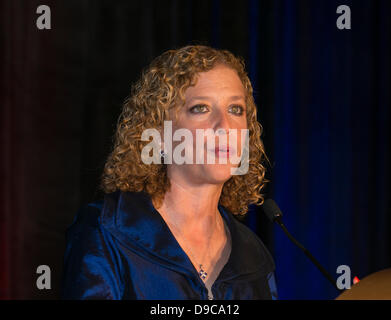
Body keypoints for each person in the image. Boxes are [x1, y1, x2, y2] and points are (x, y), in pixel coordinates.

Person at [61, 45, 278, 300]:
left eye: (236, 109)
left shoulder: (253, 255)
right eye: (201, 108)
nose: (225, 126)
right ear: (160, 133)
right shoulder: (106, 231)